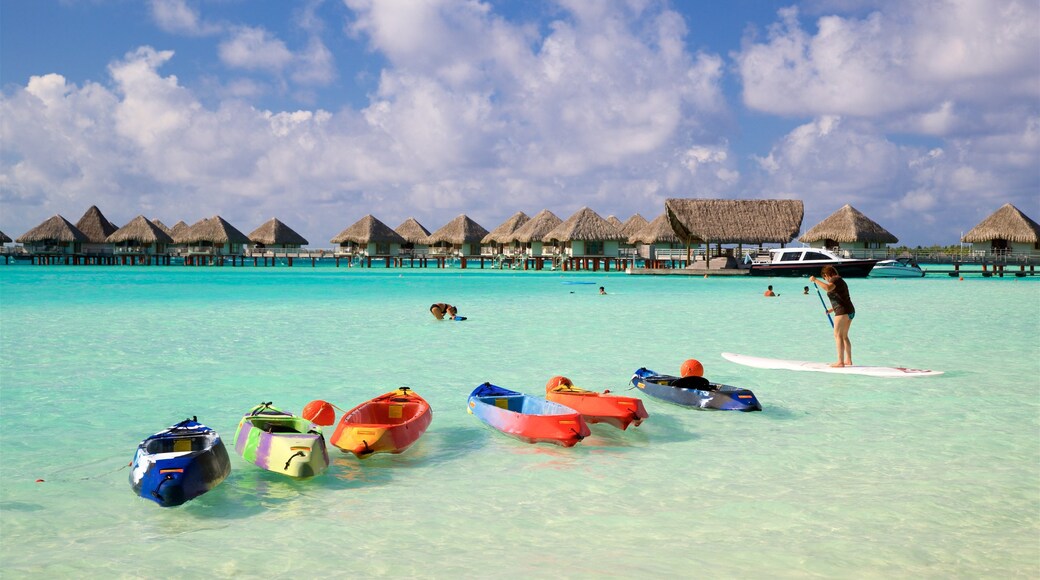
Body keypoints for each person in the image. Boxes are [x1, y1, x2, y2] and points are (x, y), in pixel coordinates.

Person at [809, 265, 855, 367]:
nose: (825, 280)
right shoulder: (839, 280)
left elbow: (828, 288)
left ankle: (840, 362)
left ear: (826, 275)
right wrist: (832, 309)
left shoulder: (835, 279)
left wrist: (815, 280)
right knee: (844, 336)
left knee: (837, 336)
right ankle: (848, 360)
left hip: (843, 312)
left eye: (824, 278)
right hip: (849, 310)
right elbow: (841, 297)